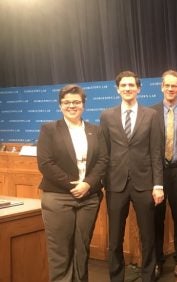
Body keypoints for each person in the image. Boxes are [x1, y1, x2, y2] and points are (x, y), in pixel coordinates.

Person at [37, 84, 108, 281]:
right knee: (60, 252)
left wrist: (88, 184)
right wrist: (73, 185)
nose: (71, 106)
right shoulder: (49, 129)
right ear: (60, 105)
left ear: (83, 105)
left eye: (76, 102)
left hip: (89, 198)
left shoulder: (96, 130)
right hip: (58, 198)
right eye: (66, 102)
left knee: (82, 250)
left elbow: (103, 160)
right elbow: (45, 164)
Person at [100, 71, 164, 282]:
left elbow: (156, 151)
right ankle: (116, 277)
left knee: (148, 235)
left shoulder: (151, 115)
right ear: (117, 89)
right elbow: (104, 152)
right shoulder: (107, 115)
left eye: (131, 85)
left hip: (144, 183)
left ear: (139, 88)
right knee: (115, 238)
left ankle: (148, 276)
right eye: (123, 85)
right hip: (115, 184)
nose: (127, 89)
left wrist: (158, 185)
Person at [151, 70, 177, 279]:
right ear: (161, 87)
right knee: (156, 219)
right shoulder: (149, 113)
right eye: (166, 85)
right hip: (157, 174)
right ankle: (157, 259)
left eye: (174, 85)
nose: (170, 89)